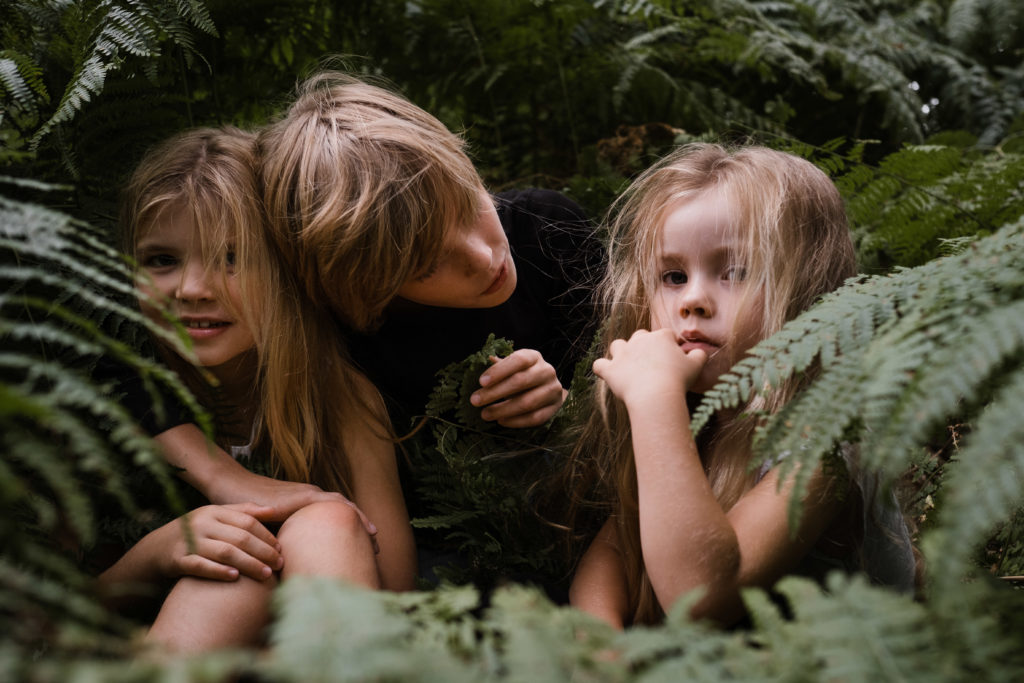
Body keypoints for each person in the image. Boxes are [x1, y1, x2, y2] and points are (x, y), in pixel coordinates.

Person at [565, 143, 916, 628]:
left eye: (735, 272)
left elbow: (702, 597)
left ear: (807, 293)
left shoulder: (828, 443)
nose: (692, 300)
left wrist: (653, 400)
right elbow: (614, 553)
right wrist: (598, 645)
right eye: (673, 276)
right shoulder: (699, 417)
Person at [102, 127, 415, 652]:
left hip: (317, 644)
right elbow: (42, 619)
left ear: (285, 270)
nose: (192, 289)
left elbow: (401, 599)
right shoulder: (104, 401)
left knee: (325, 522)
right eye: (162, 260)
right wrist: (157, 552)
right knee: (239, 569)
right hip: (143, 644)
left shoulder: (339, 400)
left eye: (231, 257)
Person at [257, 71, 603, 434]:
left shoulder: (550, 230)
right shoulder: (360, 352)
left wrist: (568, 405)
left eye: (470, 207)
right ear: (371, 287)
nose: (483, 258)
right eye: (428, 265)